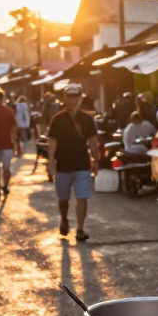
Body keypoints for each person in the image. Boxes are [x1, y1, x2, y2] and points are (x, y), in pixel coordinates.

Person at [47, 84, 99, 241]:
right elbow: (52, 142)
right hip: (63, 164)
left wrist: (96, 161)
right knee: (63, 199)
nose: (73, 100)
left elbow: (92, 141)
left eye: (75, 96)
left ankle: (80, 229)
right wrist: (50, 163)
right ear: (64, 98)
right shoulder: (57, 119)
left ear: (80, 98)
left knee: (82, 197)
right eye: (69, 96)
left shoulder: (87, 119)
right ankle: (64, 219)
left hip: (82, 164)